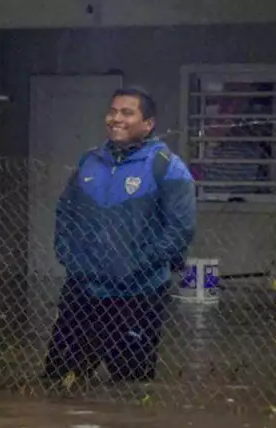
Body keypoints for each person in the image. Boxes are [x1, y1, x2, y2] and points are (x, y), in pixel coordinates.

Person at [42, 86, 197, 386]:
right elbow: (66, 212)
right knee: (58, 385)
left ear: (148, 123)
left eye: (127, 112)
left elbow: (180, 229)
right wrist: (69, 256)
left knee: (131, 390)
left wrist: (139, 265)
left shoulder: (167, 166)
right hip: (83, 292)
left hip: (138, 295)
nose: (116, 118)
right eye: (112, 111)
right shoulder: (89, 161)